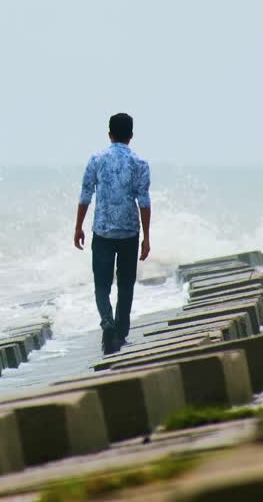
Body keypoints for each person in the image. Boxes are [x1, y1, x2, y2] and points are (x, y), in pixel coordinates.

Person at [73, 112, 151, 355]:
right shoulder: (140, 163)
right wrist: (147, 238)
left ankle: (107, 323)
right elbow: (144, 202)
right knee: (126, 285)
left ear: (110, 134)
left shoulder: (96, 160)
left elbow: (86, 195)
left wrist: (78, 227)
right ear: (131, 136)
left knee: (102, 285)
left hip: (103, 233)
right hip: (129, 233)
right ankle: (120, 333)